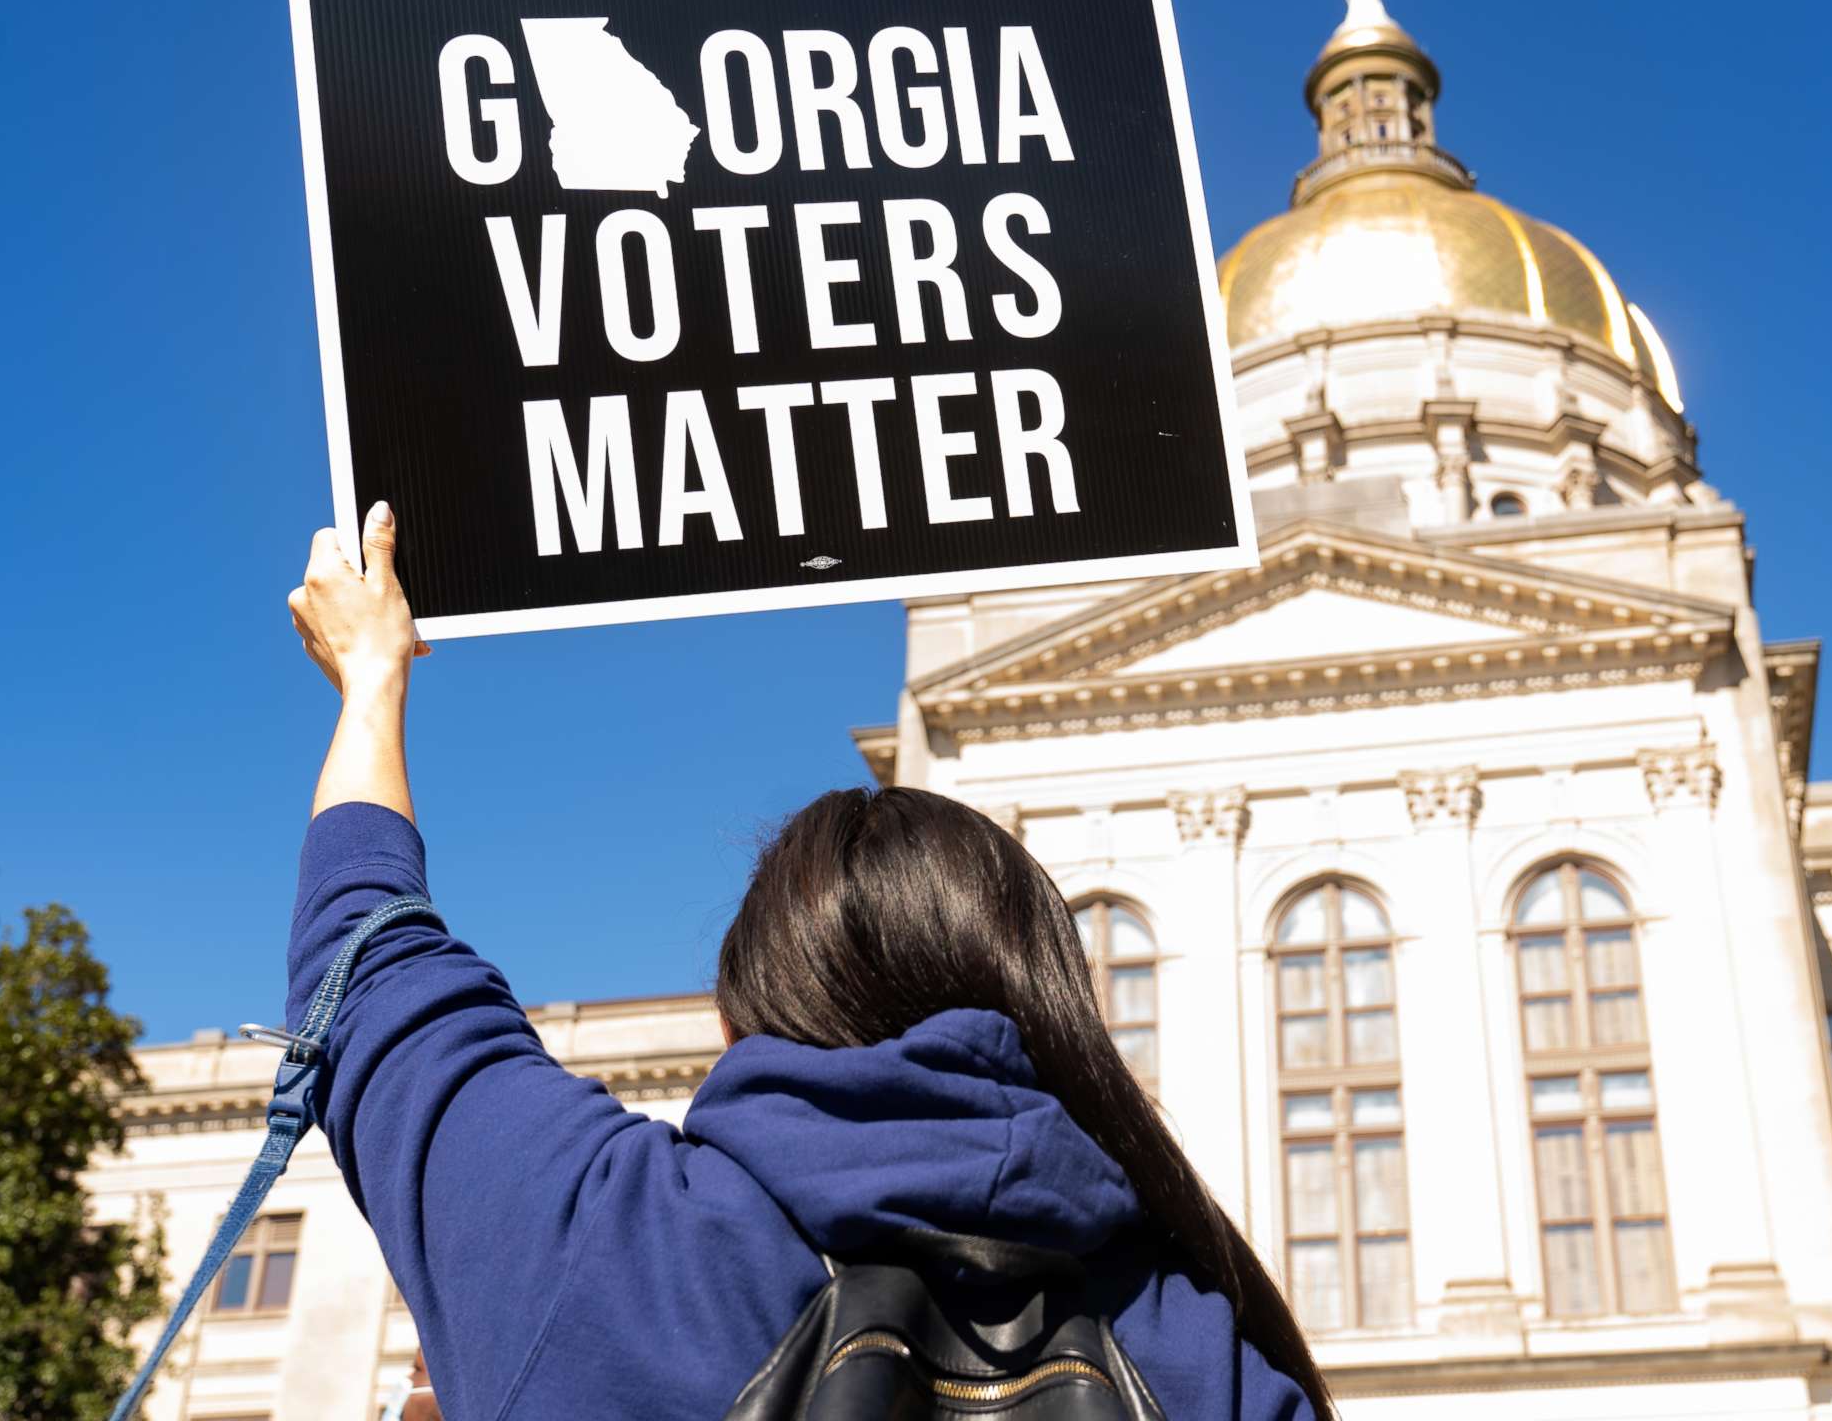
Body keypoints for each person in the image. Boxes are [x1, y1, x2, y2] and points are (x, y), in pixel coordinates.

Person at [284, 503, 1329, 1420]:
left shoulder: (610, 1249)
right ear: (1055, 1003)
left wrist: (371, 682)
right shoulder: (1208, 1360)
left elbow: (365, 963)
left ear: (737, 1025)